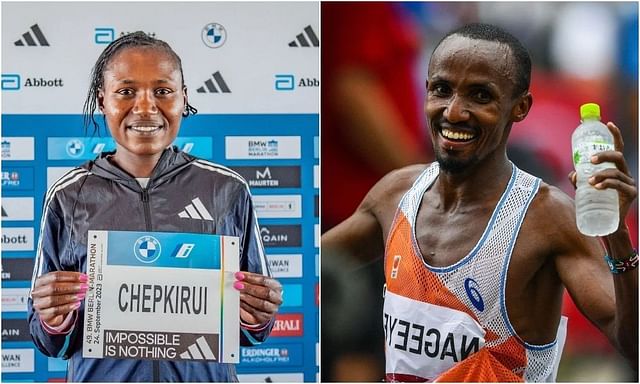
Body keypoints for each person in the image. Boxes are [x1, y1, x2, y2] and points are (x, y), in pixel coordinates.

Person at [322, 23, 637, 382]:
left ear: (520, 108)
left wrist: (617, 238)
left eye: (480, 96)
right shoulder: (396, 195)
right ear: (425, 92)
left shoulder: (546, 218)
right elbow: (301, 272)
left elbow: (632, 346)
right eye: (442, 90)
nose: (454, 112)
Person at [28, 32, 283, 382]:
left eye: (162, 91)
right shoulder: (67, 195)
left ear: (183, 99)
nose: (146, 107)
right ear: (103, 101)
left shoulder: (227, 189)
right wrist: (53, 319)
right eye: (126, 91)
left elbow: (251, 333)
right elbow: (49, 341)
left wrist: (257, 314)